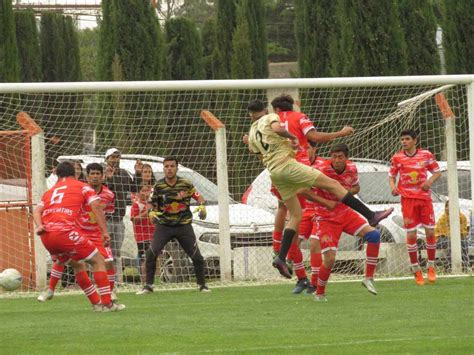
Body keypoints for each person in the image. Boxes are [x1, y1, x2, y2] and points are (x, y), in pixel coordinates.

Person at [246, 99, 392, 279]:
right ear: (266, 110)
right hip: (288, 165)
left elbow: (257, 153)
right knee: (334, 185)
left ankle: (281, 257)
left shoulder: (252, 132)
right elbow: (278, 129)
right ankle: (371, 215)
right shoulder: (271, 118)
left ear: (250, 114)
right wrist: (292, 138)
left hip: (274, 173)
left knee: (294, 215)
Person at [270, 94, 355, 293]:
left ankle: (315, 283)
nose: (303, 149)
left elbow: (340, 188)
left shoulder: (321, 166)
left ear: (312, 149)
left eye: (307, 147)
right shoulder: (297, 165)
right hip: (303, 211)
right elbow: (285, 204)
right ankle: (301, 278)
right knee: (292, 242)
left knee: (316, 245)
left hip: (318, 213)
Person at [33, 161, 123, 311]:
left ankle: (96, 303)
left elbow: (36, 211)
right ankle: (107, 303)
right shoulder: (82, 187)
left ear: (57, 174)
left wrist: (39, 226)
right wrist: (105, 232)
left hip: (46, 235)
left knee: (77, 264)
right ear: (76, 174)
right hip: (66, 232)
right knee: (98, 261)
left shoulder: (49, 192)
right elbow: (96, 206)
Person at [301, 144, 382, 300]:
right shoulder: (321, 170)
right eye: (334, 157)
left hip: (345, 213)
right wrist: (326, 202)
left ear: (346, 158)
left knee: (374, 235)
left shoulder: (352, 169)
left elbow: (356, 188)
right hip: (325, 217)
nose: (336, 160)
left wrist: (344, 193)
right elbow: (303, 191)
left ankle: (368, 278)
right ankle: (319, 293)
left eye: (340, 157)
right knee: (330, 259)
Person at [137, 157, 210, 294]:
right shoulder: (159, 186)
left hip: (183, 225)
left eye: (172, 166)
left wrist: (201, 205)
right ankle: (148, 286)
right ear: (163, 168)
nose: (169, 169)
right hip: (164, 225)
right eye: (166, 166)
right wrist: (150, 212)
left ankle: (202, 285)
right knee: (151, 253)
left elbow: (199, 197)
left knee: (196, 256)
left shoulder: (186, 184)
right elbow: (151, 203)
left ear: (177, 168)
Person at [389, 129, 441, 285]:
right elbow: (391, 175)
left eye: (407, 139)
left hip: (424, 199)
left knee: (430, 232)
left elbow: (437, 172)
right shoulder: (397, 157)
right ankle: (416, 269)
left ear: (414, 141)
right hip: (408, 200)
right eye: (402, 139)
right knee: (411, 235)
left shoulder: (425, 155)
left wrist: (429, 182)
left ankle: (431, 267)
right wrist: (392, 187)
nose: (404, 141)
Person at [103, 148, 140, 274]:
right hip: (105, 219)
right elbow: (103, 192)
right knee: (103, 251)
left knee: (116, 252)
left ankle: (117, 280)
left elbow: (134, 188)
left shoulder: (124, 174)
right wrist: (108, 178)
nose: (115, 160)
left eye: (117, 157)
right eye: (112, 157)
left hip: (119, 218)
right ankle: (100, 279)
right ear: (106, 159)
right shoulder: (100, 173)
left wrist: (138, 173)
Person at [131, 185, 156, 284]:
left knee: (157, 259)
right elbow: (134, 220)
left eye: (148, 190)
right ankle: (144, 283)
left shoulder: (153, 204)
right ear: (138, 193)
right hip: (143, 237)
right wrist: (147, 212)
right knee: (145, 260)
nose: (146, 192)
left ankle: (156, 282)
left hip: (154, 235)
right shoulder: (137, 205)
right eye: (143, 190)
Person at [435, 200, 470, 271]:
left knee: (464, 241)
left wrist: (459, 235)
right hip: (442, 239)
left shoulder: (462, 217)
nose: (450, 208)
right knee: (451, 242)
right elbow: (444, 233)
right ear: (446, 208)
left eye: (453, 206)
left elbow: (464, 231)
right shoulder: (443, 219)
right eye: (448, 206)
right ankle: (448, 266)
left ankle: (465, 266)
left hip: (458, 238)